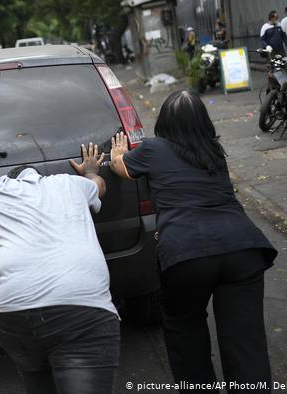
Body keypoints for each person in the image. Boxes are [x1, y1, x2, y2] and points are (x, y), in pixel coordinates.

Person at [105, 90, 277, 392]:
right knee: (244, 340)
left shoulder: (153, 148)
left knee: (185, 332)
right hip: (243, 249)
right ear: (202, 122)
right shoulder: (213, 152)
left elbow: (122, 170)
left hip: (187, 254)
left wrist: (118, 154)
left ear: (165, 123)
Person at [0, 147, 120, 394]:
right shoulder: (71, 183)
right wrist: (92, 171)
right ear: (40, 176)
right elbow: (100, 186)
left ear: (10, 179)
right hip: (82, 309)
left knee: (36, 378)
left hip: (12, 313)